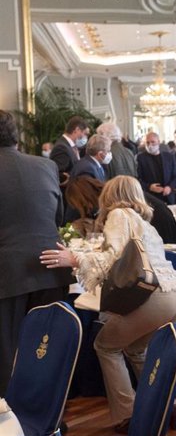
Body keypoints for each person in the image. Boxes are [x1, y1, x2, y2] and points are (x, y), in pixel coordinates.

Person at [40, 175, 176, 433]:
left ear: (111, 195)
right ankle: (168, 408)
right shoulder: (144, 222)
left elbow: (111, 257)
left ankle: (128, 415)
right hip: (174, 295)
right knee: (137, 350)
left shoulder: (119, 214)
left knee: (105, 346)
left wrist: (73, 258)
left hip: (153, 297)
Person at [0, 110, 69, 395]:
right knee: (45, 350)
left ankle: (10, 420)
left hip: (8, 274)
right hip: (52, 270)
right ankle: (48, 416)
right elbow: (59, 216)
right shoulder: (46, 165)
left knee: (6, 357)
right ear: (17, 136)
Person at [136, 132, 176, 204]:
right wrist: (149, 187)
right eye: (147, 143)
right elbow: (138, 178)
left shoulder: (169, 156)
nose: (150, 145)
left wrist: (170, 187)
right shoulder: (141, 158)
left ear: (159, 142)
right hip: (151, 197)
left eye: (153, 142)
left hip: (168, 196)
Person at [50, 115, 90, 183]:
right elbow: (57, 175)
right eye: (85, 134)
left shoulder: (73, 147)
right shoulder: (61, 147)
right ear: (77, 130)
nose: (86, 137)